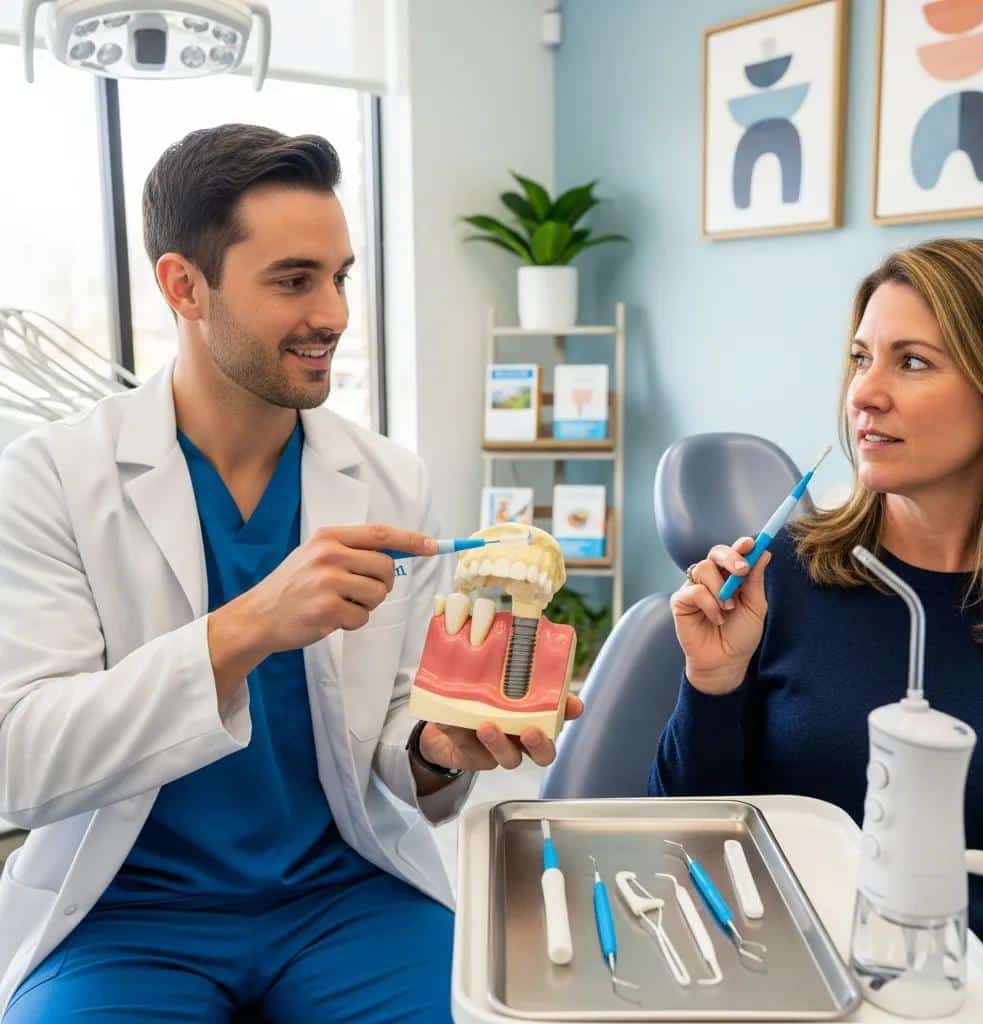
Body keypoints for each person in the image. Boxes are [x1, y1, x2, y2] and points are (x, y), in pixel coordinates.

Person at [0, 124, 581, 1022]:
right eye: (293, 280)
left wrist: (436, 751)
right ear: (182, 286)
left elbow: (394, 731)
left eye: (340, 276)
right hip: (125, 915)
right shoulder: (49, 479)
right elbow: (22, 763)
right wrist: (249, 625)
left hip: (345, 899)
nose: (335, 314)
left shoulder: (389, 480)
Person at [650, 238, 983, 968]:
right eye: (860, 358)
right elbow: (685, 830)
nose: (864, 394)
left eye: (911, 361)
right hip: (783, 973)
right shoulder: (783, 576)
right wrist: (712, 686)